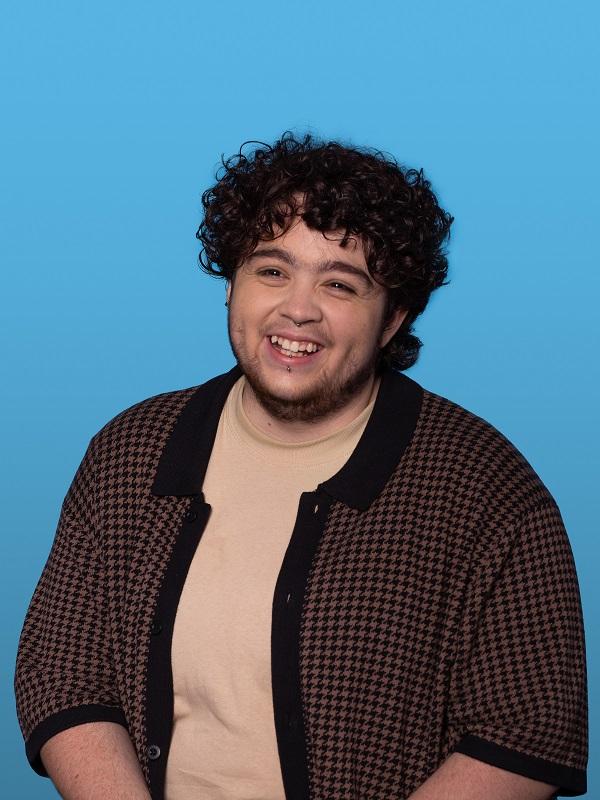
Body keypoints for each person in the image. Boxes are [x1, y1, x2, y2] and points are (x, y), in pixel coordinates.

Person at [15, 132, 587, 800]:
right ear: (232, 284)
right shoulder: (132, 451)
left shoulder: (484, 488)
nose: (298, 308)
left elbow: (526, 733)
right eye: (272, 270)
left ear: (394, 318)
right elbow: (63, 672)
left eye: (341, 284)